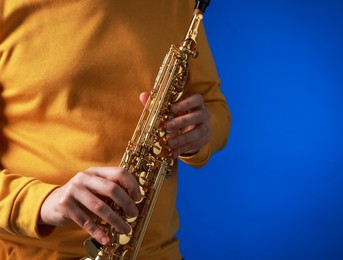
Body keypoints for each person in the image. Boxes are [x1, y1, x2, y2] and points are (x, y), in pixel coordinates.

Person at [0, 0, 231, 259]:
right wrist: (43, 202)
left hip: (151, 251)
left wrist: (200, 131)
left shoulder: (179, 5)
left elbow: (213, 105)